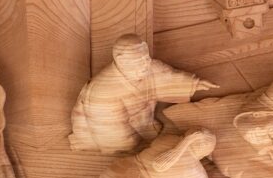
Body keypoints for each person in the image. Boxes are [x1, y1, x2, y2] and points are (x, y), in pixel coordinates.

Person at [69, 34, 218, 154]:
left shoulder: (148, 67)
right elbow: (109, 129)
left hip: (144, 122)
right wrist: (129, 144)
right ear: (121, 61)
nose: (146, 65)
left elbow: (167, 76)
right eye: (138, 61)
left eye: (146, 58)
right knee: (124, 144)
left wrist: (195, 84)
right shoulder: (103, 90)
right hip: (111, 131)